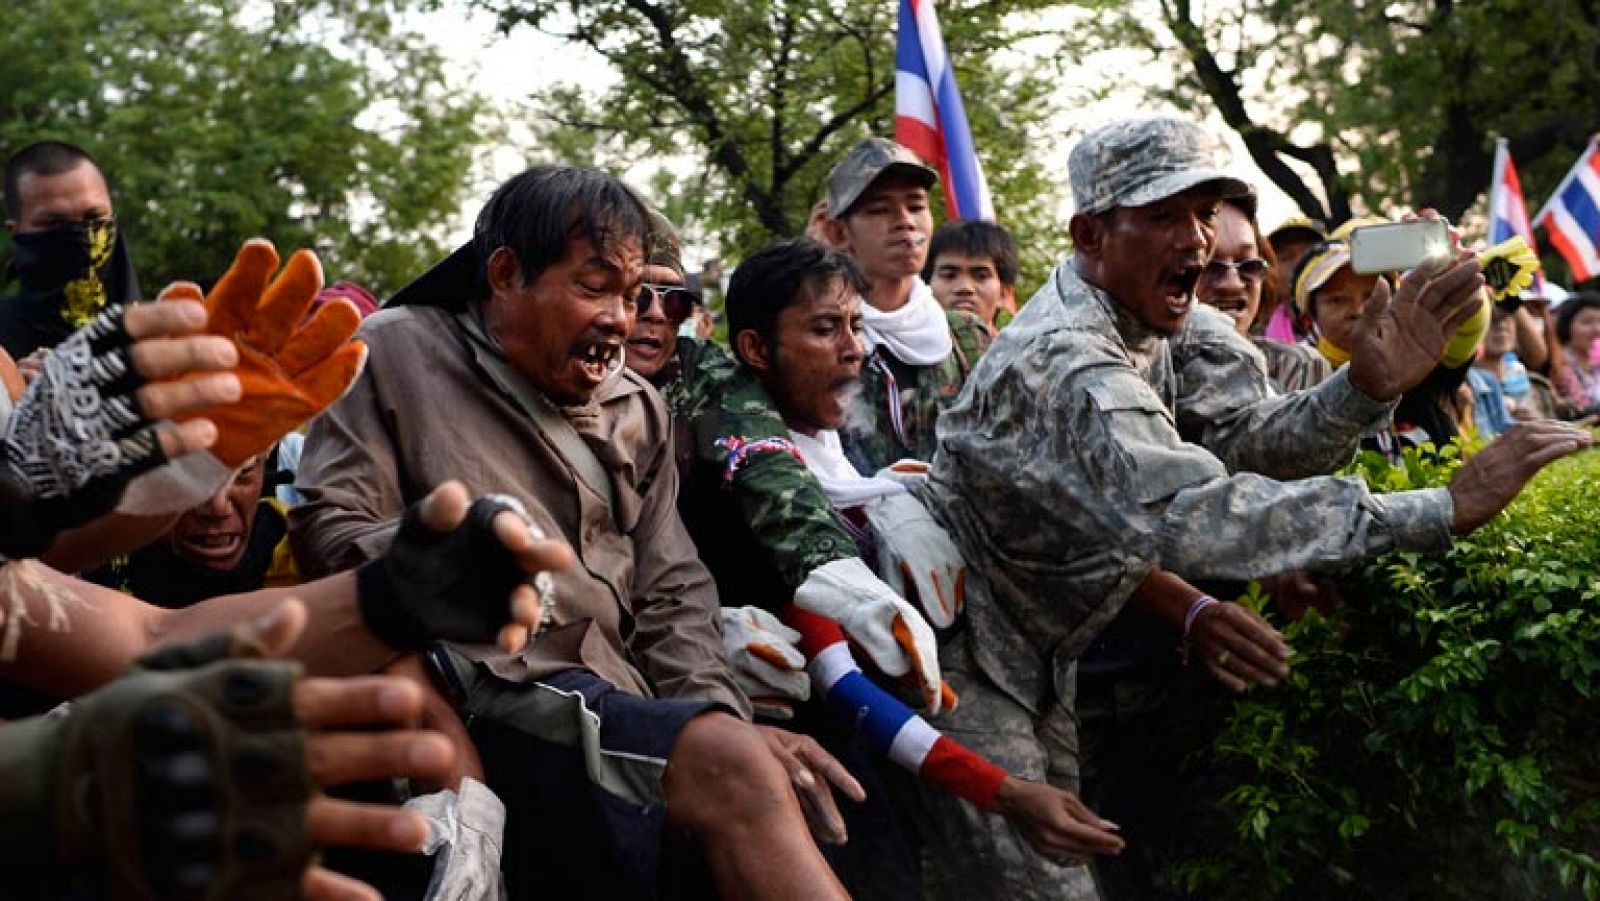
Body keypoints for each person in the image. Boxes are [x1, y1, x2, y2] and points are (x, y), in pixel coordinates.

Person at [912, 116, 1592, 901]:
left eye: (1205, 212)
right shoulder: (1066, 362)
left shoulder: (1169, 318)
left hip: (1052, 658)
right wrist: (1439, 507)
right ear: (1091, 234)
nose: (1197, 241)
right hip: (968, 661)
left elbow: (1250, 436)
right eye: (1164, 215)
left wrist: (1364, 388)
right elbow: (1201, 516)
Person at [292, 165, 862, 901]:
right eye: (595, 288)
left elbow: (673, 591)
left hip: (618, 702)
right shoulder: (394, 353)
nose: (622, 320)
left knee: (769, 769)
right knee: (730, 762)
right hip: (484, 686)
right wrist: (453, 562)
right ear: (505, 274)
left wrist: (713, 715)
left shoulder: (638, 406)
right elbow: (328, 529)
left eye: (634, 296)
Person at [817, 138, 991, 470]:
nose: (905, 222)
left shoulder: (967, 337)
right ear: (839, 233)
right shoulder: (820, 341)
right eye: (879, 210)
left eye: (915, 206)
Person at [1289, 233, 1492, 459]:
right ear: (1308, 320)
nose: (1358, 310)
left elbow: (1469, 324)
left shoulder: (1419, 361)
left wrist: (1451, 267)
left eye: (1371, 295)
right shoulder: (1295, 382)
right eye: (1338, 300)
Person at [1, 141, 140, 360]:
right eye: (55, 223)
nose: (81, 235)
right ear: (15, 231)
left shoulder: (161, 334)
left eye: (94, 217)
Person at [1196, 192, 1330, 392]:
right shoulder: (1142, 367)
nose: (1232, 284)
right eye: (1210, 265)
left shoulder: (1296, 367)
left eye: (1248, 265)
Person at [925, 219, 1020, 332]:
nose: (964, 287)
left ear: (1004, 293)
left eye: (981, 276)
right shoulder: (903, 347)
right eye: (949, 275)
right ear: (926, 287)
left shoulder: (1032, 348)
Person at [1554, 291, 1600, 411]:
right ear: (1567, 326)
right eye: (1587, 322)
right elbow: (1581, 408)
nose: (1597, 329)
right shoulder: (1560, 366)